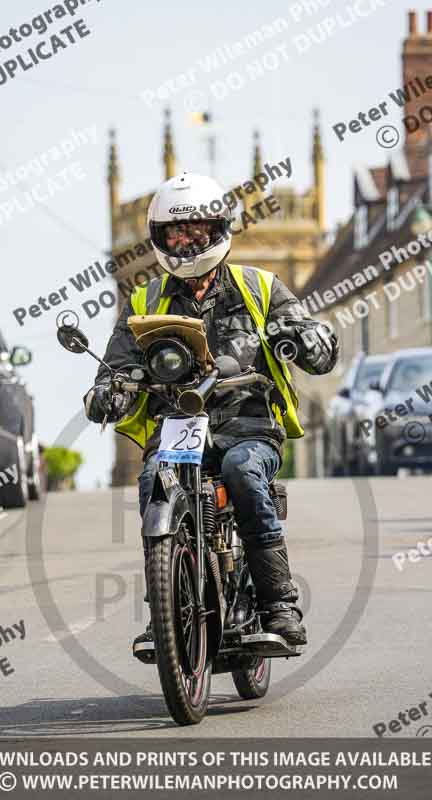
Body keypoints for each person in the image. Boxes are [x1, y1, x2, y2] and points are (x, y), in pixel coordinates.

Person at [84, 172, 339, 652]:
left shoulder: (260, 287)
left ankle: (278, 605)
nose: (186, 241)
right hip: (177, 426)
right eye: (175, 232)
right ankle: (164, 611)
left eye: (197, 230)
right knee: (153, 483)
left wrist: (307, 338)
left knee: (243, 474)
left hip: (248, 423)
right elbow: (117, 364)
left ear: (218, 229)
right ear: (159, 237)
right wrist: (108, 392)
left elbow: (316, 346)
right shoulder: (145, 299)